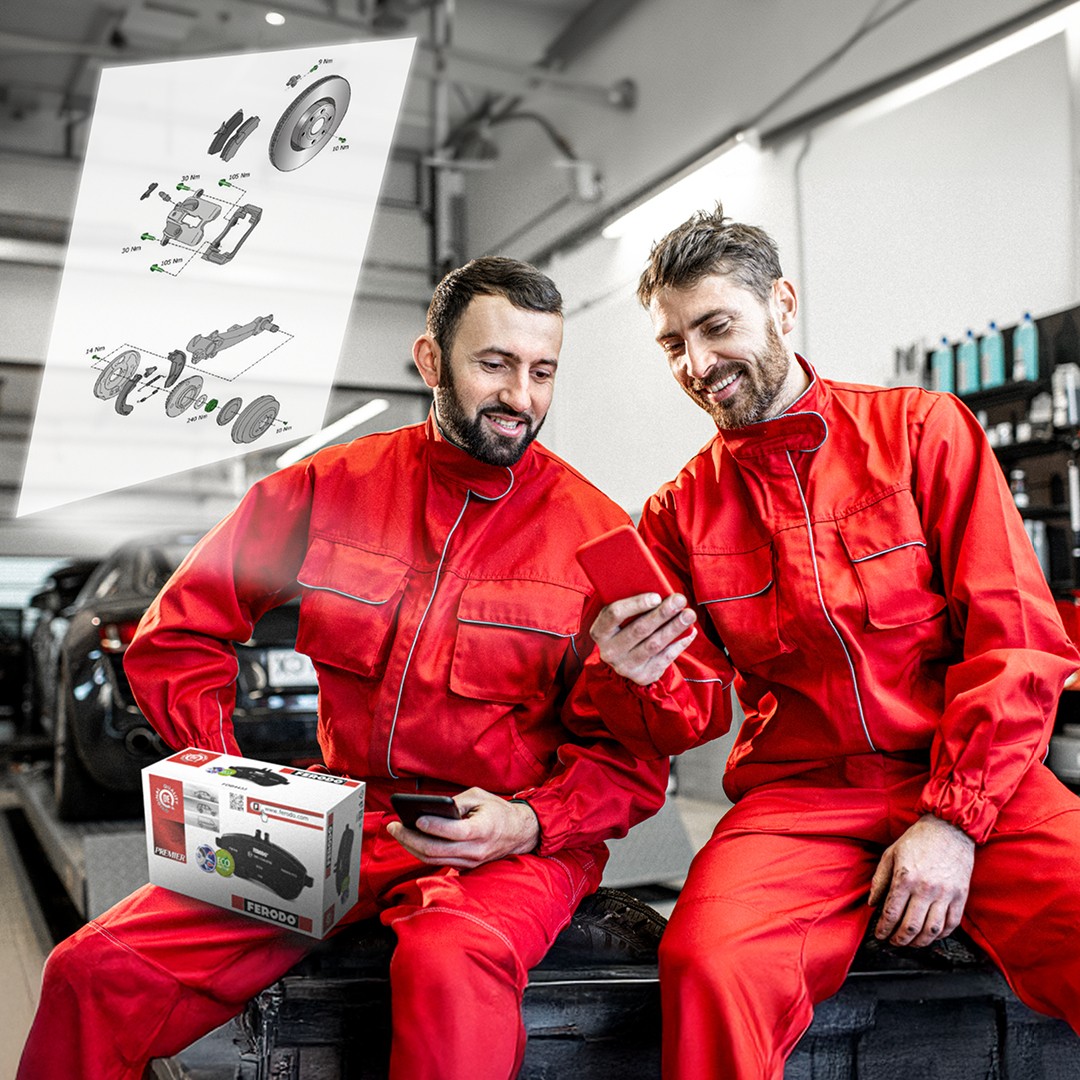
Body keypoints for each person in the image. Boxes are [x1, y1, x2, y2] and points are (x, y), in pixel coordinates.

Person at [18, 256, 668, 1080]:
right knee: (93, 972)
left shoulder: (593, 535)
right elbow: (179, 632)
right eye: (494, 365)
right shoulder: (332, 488)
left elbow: (636, 754)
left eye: (542, 372)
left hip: (509, 843)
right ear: (431, 360)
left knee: (446, 970)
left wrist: (533, 822)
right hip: (343, 826)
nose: (521, 398)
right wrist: (233, 784)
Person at [580, 204, 1080, 1080]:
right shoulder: (676, 514)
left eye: (716, 326)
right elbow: (688, 711)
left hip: (972, 779)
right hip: (801, 800)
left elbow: (1020, 640)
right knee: (708, 966)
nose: (697, 365)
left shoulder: (924, 432)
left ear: (782, 301)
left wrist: (954, 822)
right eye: (671, 345)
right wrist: (630, 675)